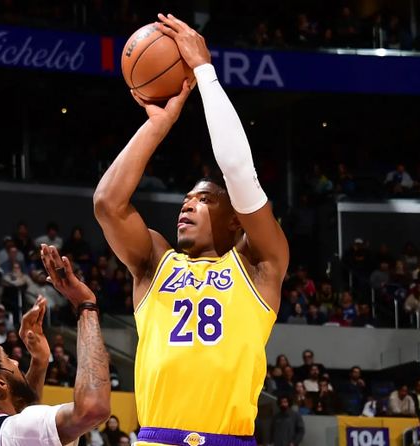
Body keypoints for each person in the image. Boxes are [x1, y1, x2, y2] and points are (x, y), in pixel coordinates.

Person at [93, 13, 288, 446]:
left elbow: (237, 170)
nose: (187, 205)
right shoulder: (154, 263)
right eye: (185, 200)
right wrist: (156, 126)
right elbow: (108, 204)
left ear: (235, 218)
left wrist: (205, 73)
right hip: (156, 438)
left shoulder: (259, 266)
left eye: (204, 199)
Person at [0, 244, 110, 446]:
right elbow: (92, 410)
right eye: (5, 358)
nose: (15, 362)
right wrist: (85, 305)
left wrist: (39, 362)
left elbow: (21, 412)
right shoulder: (13, 433)